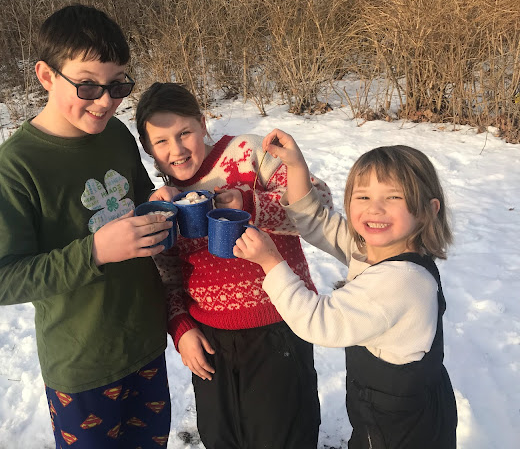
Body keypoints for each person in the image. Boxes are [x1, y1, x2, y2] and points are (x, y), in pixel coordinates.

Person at [0, 5, 173, 449]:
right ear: (46, 76)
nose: (105, 101)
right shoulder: (16, 167)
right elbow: (0, 280)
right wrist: (95, 251)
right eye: (87, 85)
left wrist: (158, 203)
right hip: (82, 364)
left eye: (118, 85)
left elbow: (140, 198)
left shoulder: (116, 134)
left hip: (144, 341)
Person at [135, 82, 333, 449]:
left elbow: (319, 205)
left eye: (185, 133)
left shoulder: (247, 153)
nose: (177, 149)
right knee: (221, 438)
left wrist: (249, 202)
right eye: (161, 141)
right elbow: (168, 276)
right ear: (149, 149)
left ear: (202, 124)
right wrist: (181, 329)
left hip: (277, 327)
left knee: (282, 437)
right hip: (209, 340)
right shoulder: (164, 201)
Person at [234, 129, 458, 449]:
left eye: (393, 197)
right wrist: (296, 166)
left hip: (402, 433)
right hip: (393, 415)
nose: (374, 209)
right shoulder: (378, 249)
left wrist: (270, 261)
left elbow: (319, 321)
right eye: (363, 197)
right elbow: (316, 220)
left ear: (427, 211)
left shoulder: (401, 282)